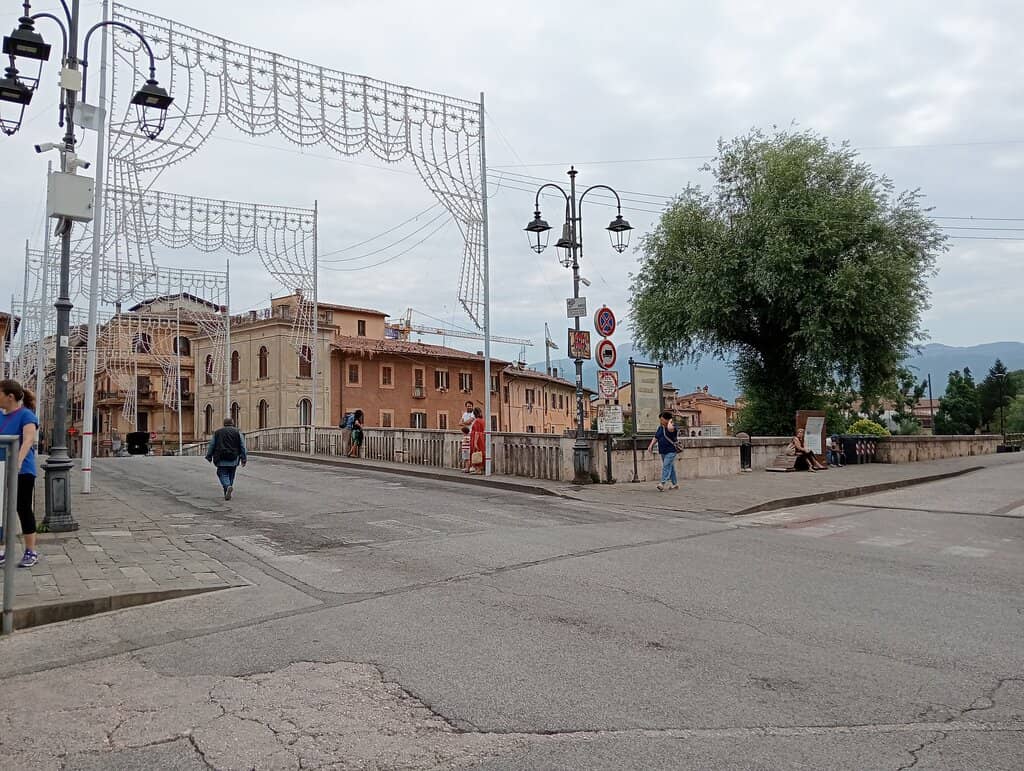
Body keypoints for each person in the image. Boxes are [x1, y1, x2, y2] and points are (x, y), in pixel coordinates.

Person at [0, 379, 41, 568]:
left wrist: (17, 462)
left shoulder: (26, 415)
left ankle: (30, 550)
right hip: (1, 469)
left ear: (10, 396)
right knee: (0, 510)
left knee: (22, 507)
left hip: (22, 471)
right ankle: (3, 550)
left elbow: (28, 440)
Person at [206, 417, 247, 500]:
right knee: (231, 475)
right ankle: (227, 491)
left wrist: (209, 455)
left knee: (222, 473)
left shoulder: (217, 432)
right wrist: (244, 458)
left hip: (221, 457)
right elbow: (243, 446)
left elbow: (212, 445)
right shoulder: (237, 432)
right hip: (234, 457)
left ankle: (227, 487)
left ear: (224, 424)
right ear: (233, 423)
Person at [647, 410, 680, 492]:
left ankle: (662, 483)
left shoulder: (673, 426)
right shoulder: (660, 428)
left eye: (662, 419)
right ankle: (675, 484)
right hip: (663, 450)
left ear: (667, 419)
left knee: (666, 466)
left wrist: (670, 421)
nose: (661, 421)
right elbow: (656, 437)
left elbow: (670, 428)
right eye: (660, 420)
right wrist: (651, 445)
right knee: (670, 467)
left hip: (671, 450)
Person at [468, 406, 486, 474]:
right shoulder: (482, 420)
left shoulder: (477, 421)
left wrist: (475, 442)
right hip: (481, 438)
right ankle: (479, 469)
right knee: (481, 453)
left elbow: (477, 432)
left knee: (476, 452)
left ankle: (478, 469)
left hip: (477, 438)